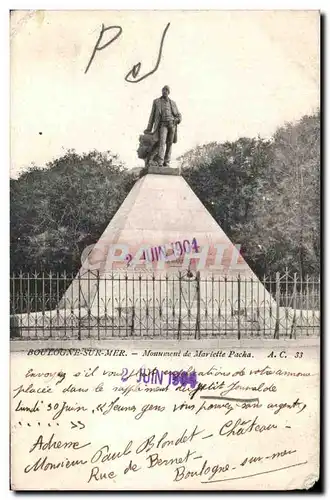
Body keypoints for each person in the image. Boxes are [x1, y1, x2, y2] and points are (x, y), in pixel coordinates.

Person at [144, 85, 182, 167]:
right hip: (162, 124)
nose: (164, 91)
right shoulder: (156, 101)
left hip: (172, 124)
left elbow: (178, 115)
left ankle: (167, 161)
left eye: (166, 90)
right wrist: (149, 128)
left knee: (170, 143)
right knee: (162, 142)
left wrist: (177, 120)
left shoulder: (173, 103)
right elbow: (152, 116)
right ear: (162, 91)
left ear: (168, 92)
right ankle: (160, 162)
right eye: (163, 90)